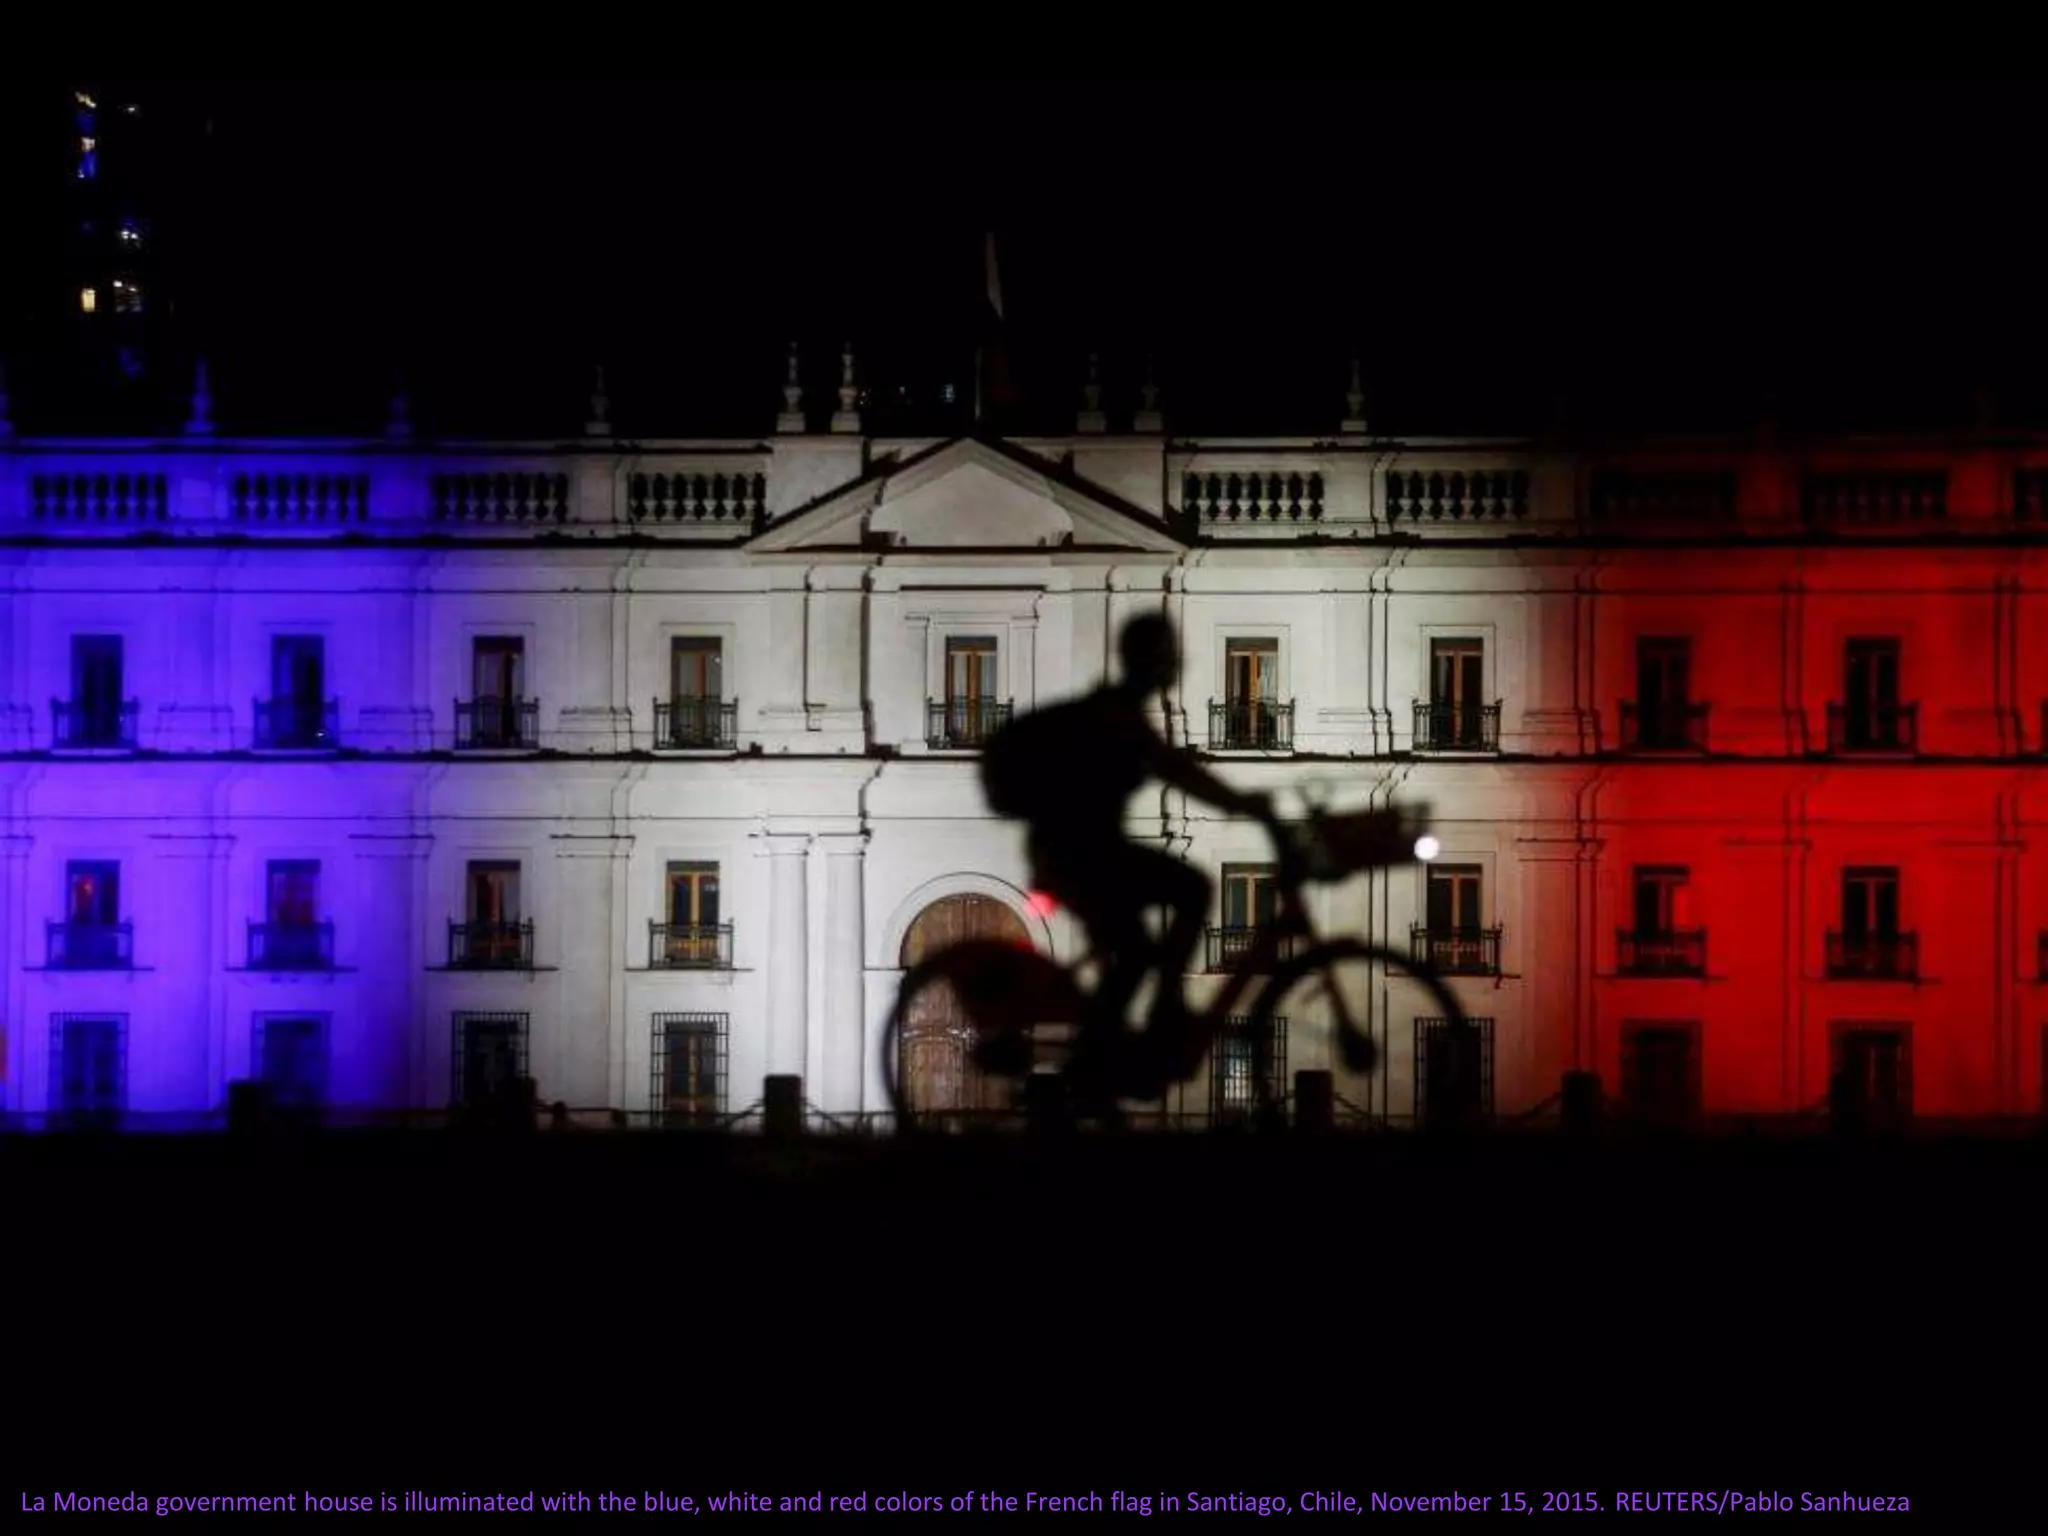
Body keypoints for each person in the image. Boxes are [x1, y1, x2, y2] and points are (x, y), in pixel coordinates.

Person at [980, 613, 1281, 1095]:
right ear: (1152, 660)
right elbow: (1179, 772)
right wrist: (1245, 804)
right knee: (1189, 892)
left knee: (1133, 950)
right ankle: (1146, 1022)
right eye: (1168, 655)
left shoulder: (1117, 711)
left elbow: (1173, 768)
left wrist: (1238, 803)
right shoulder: (1116, 715)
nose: (1175, 665)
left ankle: (1101, 1055)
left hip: (1080, 855)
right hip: (1078, 858)